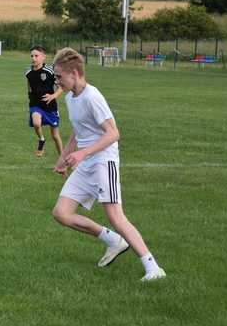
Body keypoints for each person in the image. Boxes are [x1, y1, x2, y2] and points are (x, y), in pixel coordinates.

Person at [51, 47, 166, 282]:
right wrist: (64, 157)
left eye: (59, 76)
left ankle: (153, 268)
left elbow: (113, 133)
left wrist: (83, 154)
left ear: (74, 73)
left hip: (104, 161)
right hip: (86, 162)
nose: (57, 81)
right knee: (61, 213)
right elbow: (78, 131)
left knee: (115, 215)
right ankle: (113, 240)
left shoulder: (93, 96)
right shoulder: (72, 98)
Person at [25, 45, 64, 157]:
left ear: (43, 57)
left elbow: (61, 87)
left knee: (55, 136)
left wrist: (53, 96)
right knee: (36, 123)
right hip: (35, 104)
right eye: (32, 56)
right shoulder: (28, 72)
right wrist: (30, 95)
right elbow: (29, 84)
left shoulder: (50, 71)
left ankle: (62, 158)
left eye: (36, 56)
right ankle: (41, 140)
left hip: (50, 106)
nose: (33, 58)